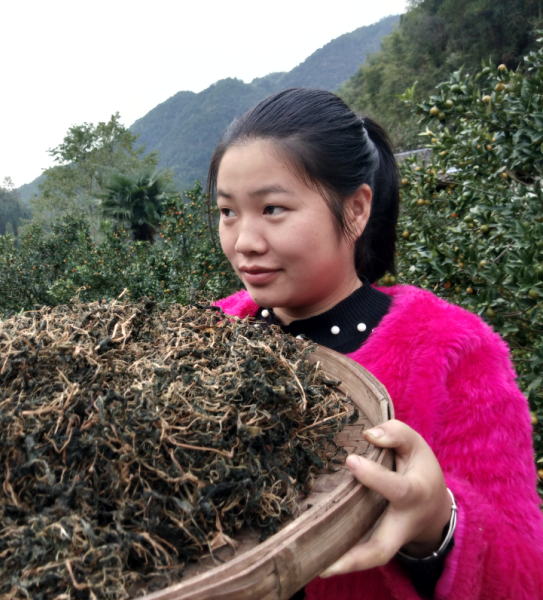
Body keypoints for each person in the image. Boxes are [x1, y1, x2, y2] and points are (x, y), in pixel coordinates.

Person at [210, 88, 543, 599]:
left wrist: (438, 522)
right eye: (228, 212)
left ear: (357, 208)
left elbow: (524, 571)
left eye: (272, 208)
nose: (244, 241)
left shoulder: (451, 352)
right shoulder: (207, 337)